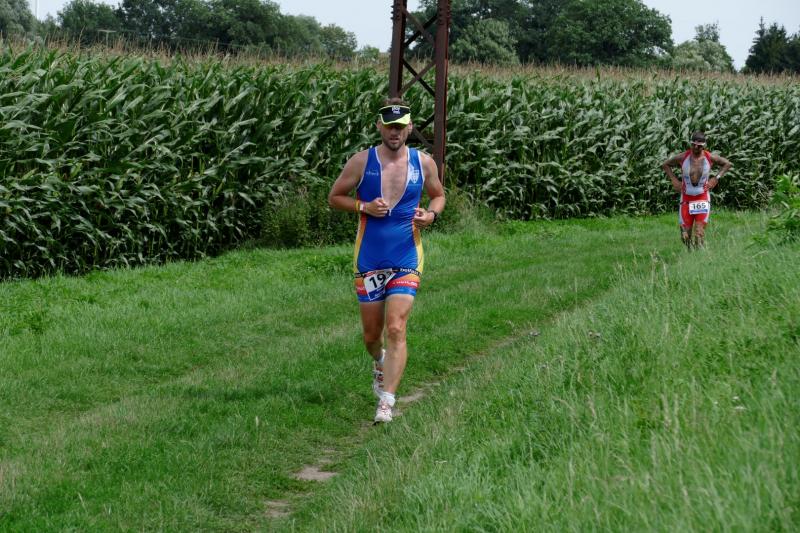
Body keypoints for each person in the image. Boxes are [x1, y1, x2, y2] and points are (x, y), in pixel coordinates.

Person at [328, 98, 445, 423]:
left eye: (401, 127)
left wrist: (430, 215)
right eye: (389, 127)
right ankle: (379, 361)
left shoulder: (424, 163)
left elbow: (438, 195)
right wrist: (363, 207)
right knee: (371, 336)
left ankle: (387, 401)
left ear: (410, 128)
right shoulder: (361, 162)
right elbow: (334, 197)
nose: (395, 133)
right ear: (379, 127)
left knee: (396, 327)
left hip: (407, 255)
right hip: (369, 259)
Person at [661, 131, 732, 249]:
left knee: (699, 233)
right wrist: (674, 180)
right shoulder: (683, 157)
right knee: (685, 236)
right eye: (693, 144)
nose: (695, 147)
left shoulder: (709, 157)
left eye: (699, 146)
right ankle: (690, 253)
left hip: (702, 197)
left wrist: (716, 178)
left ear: (704, 146)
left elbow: (727, 164)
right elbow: (665, 165)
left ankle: (700, 253)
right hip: (686, 197)